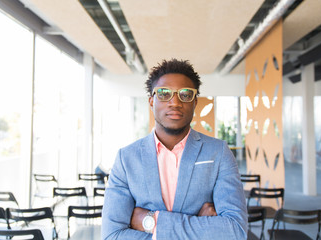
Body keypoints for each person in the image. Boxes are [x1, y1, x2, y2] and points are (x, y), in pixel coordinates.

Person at [102, 59, 247, 239]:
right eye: (164, 93)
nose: (175, 102)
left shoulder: (219, 152)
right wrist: (199, 227)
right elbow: (112, 235)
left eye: (185, 94)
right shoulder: (126, 158)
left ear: (194, 102)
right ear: (151, 101)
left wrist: (151, 221)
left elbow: (235, 230)